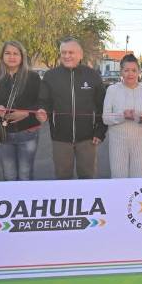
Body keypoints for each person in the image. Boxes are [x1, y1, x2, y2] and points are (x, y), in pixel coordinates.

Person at [36, 37, 107, 179]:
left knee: (87, 176)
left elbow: (102, 106)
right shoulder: (50, 76)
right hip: (60, 138)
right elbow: (43, 101)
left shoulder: (92, 76)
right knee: (63, 177)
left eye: (71, 52)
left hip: (88, 139)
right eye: (63, 52)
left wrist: (100, 132)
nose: (67, 56)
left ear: (80, 54)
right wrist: (42, 111)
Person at [0, 41, 41, 181]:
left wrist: (27, 113)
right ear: (2, 56)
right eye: (8, 53)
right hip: (3, 134)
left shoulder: (33, 77)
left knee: (25, 174)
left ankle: (26, 202)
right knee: (9, 174)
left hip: (27, 132)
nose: (12, 57)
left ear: (22, 56)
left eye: (16, 53)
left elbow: (41, 103)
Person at [102, 54, 142, 178]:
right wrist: (122, 116)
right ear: (121, 72)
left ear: (139, 72)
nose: (130, 74)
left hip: (140, 143)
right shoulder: (112, 90)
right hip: (118, 143)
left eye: (133, 70)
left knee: (139, 178)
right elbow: (105, 118)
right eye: (126, 70)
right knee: (118, 177)